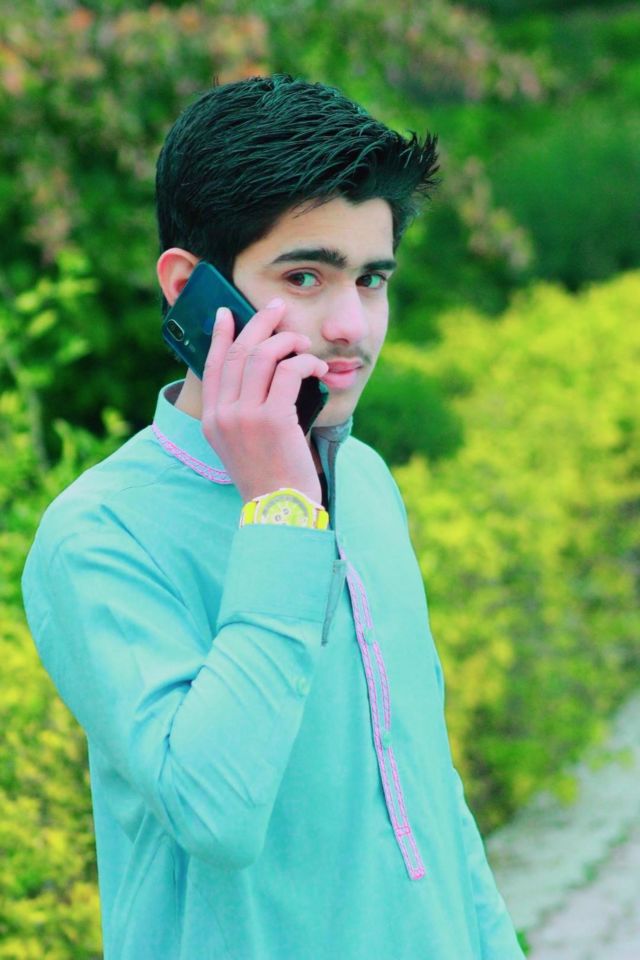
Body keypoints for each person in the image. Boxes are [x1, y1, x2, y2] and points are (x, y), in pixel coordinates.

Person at [22, 74, 524, 960]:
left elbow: (428, 794)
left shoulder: (364, 479)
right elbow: (216, 812)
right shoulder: (97, 535)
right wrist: (281, 510)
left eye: (371, 279)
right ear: (190, 288)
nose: (351, 325)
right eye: (305, 276)